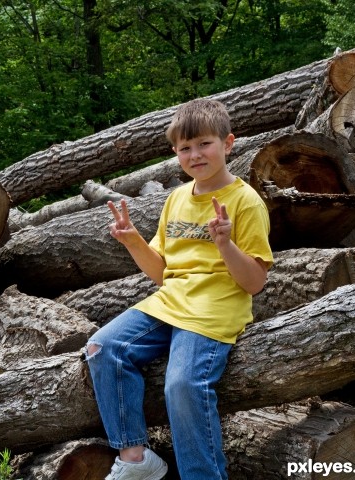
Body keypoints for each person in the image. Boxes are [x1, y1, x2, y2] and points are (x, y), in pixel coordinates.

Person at [85, 98, 273, 480]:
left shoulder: (245, 202)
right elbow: (162, 272)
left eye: (204, 143)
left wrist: (225, 245)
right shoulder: (175, 199)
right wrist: (133, 241)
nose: (195, 154)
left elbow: (254, 282)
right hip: (171, 302)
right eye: (185, 148)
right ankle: (136, 460)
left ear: (228, 143)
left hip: (214, 308)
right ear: (175, 153)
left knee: (183, 384)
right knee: (102, 347)